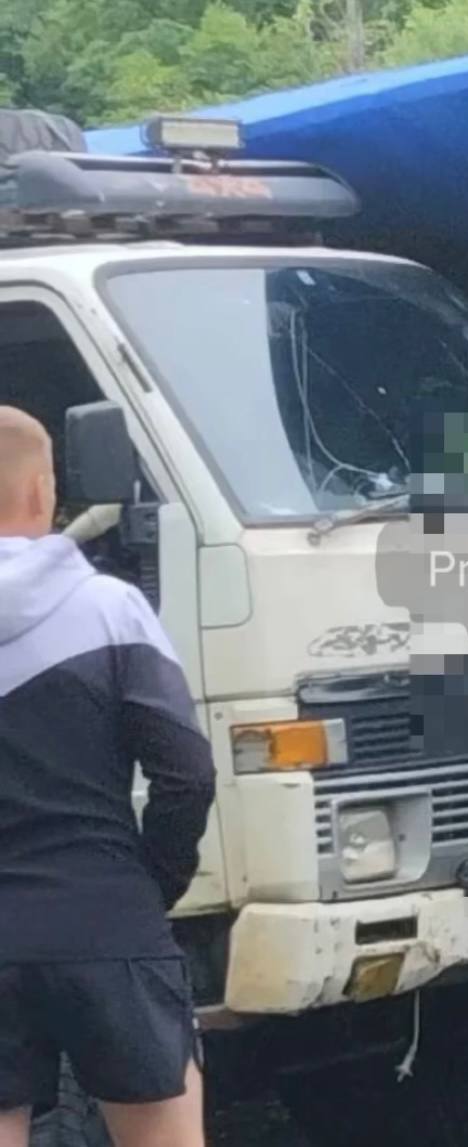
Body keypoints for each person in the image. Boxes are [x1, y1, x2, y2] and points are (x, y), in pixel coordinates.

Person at [0, 407, 216, 1147]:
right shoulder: (110, 609)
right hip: (108, 919)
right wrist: (151, 885)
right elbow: (186, 772)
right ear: (42, 492)